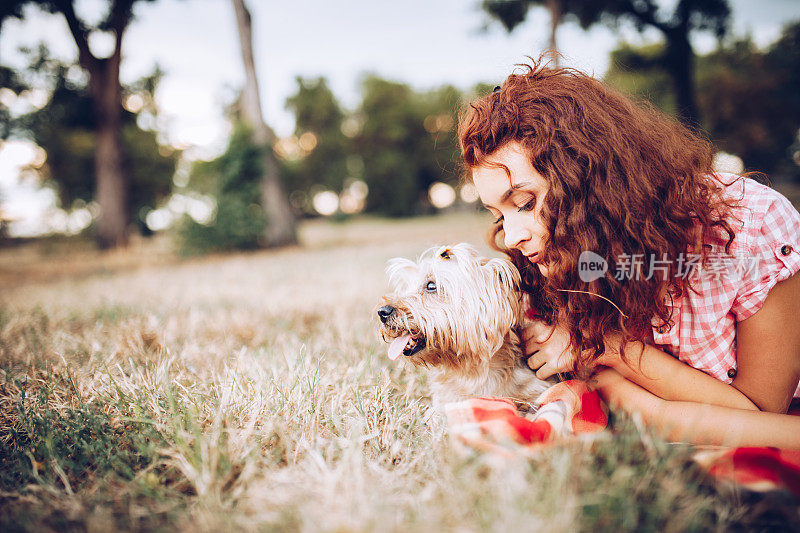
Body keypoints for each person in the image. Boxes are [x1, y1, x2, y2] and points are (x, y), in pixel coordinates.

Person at [458, 59, 800, 449]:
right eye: (499, 214)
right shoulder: (556, 264)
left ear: (589, 181)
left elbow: (762, 418)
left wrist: (611, 351)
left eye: (525, 201)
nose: (513, 236)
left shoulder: (751, 227)